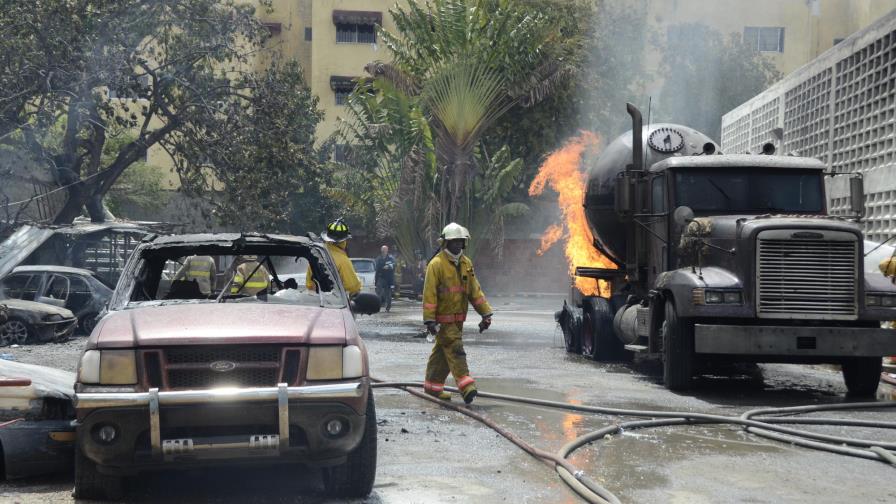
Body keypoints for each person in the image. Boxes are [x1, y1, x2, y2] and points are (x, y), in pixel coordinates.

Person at [422, 222, 493, 404]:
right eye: (453, 242)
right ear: (445, 243)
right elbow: (429, 294)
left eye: (460, 242)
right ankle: (466, 386)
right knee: (455, 350)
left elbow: (474, 291)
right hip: (443, 322)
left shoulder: (466, 264)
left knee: (441, 355)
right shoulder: (436, 265)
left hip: (458, 320)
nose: (457, 245)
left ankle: (432, 388)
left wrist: (485, 314)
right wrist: (429, 320)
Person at [306, 218, 361, 297]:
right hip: (338, 305)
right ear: (343, 241)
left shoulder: (316, 257)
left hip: (316, 303)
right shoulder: (343, 261)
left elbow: (309, 284)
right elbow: (352, 288)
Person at [374, 245, 396, 312]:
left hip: (388, 279)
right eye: (383, 250)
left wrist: (388, 267)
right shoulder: (378, 258)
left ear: (387, 250)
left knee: (388, 295)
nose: (384, 251)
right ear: (381, 251)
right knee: (378, 294)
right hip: (380, 278)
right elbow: (377, 269)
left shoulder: (391, 258)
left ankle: (388, 308)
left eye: (385, 250)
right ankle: (377, 308)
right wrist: (376, 280)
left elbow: (394, 265)